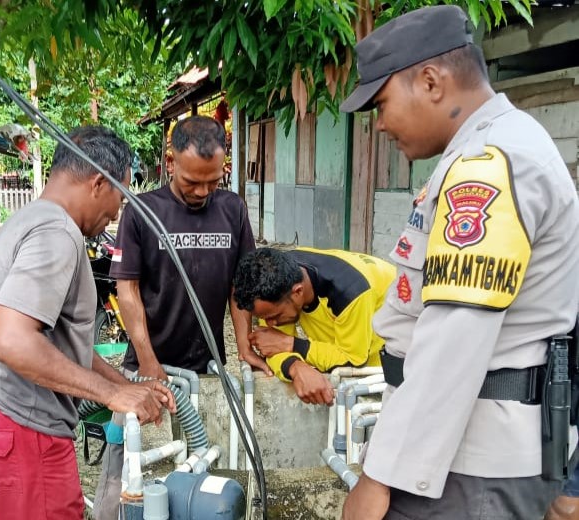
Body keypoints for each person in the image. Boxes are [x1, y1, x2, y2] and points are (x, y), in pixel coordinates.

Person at [338, 5, 579, 520]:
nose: (379, 125)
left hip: (471, 471)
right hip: (461, 457)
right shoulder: (487, 151)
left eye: (381, 104)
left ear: (430, 81)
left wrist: (378, 474)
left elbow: (454, 336)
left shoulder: (491, 164)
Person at [0, 126, 175, 520]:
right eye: (119, 196)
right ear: (96, 183)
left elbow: (58, 346)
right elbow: (13, 340)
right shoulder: (57, 232)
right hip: (22, 426)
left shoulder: (31, 220)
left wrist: (128, 386)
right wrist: (112, 397)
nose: (116, 212)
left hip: (2, 422)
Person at [92, 115, 263, 519]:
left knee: (200, 470)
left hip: (207, 368)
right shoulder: (141, 211)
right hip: (147, 371)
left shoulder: (233, 209)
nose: (203, 191)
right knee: (130, 474)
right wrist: (148, 361)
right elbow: (127, 289)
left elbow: (241, 286)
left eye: (213, 181)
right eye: (192, 182)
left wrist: (242, 347)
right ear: (170, 163)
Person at [233, 247, 395, 405]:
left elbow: (353, 361)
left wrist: (292, 345)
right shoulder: (278, 279)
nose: (270, 324)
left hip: (399, 363)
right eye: (264, 318)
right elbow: (272, 347)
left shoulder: (351, 293)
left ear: (298, 292)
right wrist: (295, 367)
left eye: (274, 317)